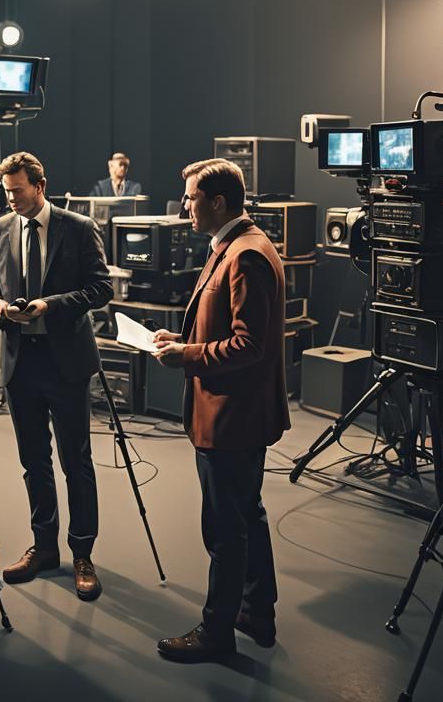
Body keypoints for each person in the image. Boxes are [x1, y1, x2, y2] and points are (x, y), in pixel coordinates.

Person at [152, 158, 289, 663]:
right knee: (246, 516)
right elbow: (225, 326)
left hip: (232, 417)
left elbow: (247, 345)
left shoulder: (246, 255)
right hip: (236, 415)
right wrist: (183, 338)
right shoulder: (236, 245)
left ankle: (217, 633)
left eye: (190, 198)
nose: (184, 205)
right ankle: (256, 613)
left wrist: (185, 356)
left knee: (225, 529)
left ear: (216, 202)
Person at [0, 151, 112, 601]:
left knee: (77, 462)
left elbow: (101, 288)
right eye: (5, 191)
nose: (9, 198)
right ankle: (45, 547)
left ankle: (83, 553)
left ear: (40, 185)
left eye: (17, 190)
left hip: (66, 362)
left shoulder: (78, 227)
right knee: (33, 461)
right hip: (19, 363)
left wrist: (51, 304)